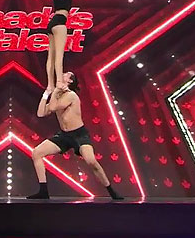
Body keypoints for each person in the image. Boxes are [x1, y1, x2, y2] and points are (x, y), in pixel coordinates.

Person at [27, 71, 123, 200]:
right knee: (36, 153)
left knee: (91, 161)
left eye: (66, 74)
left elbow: (54, 107)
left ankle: (111, 191)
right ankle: (43, 191)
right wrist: (46, 94)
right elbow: (40, 113)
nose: (62, 74)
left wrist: (55, 91)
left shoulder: (71, 95)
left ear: (70, 81)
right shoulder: (57, 97)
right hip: (64, 135)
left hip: (79, 135)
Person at [45, 0, 71, 93]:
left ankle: (50, 85)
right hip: (60, 23)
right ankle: (59, 82)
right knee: (59, 55)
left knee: (51, 56)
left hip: (52, 23)